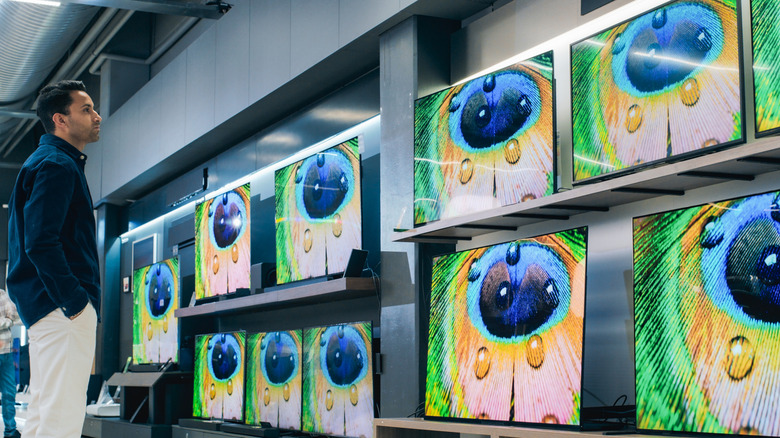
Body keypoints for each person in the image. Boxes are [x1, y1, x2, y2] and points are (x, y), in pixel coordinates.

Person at [6, 80, 102, 438]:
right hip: (61, 308)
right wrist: (75, 301)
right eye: (86, 109)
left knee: (47, 414)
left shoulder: (48, 162)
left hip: (48, 307)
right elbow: (40, 242)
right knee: (61, 417)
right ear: (60, 120)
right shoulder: (57, 165)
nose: (97, 116)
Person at [0, 288, 21, 438]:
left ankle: (10, 431)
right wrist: (6, 321)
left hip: (6, 351)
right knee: (8, 392)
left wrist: (8, 320)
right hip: (4, 349)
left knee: (9, 392)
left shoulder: (1, 294)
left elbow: (16, 315)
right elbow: (10, 319)